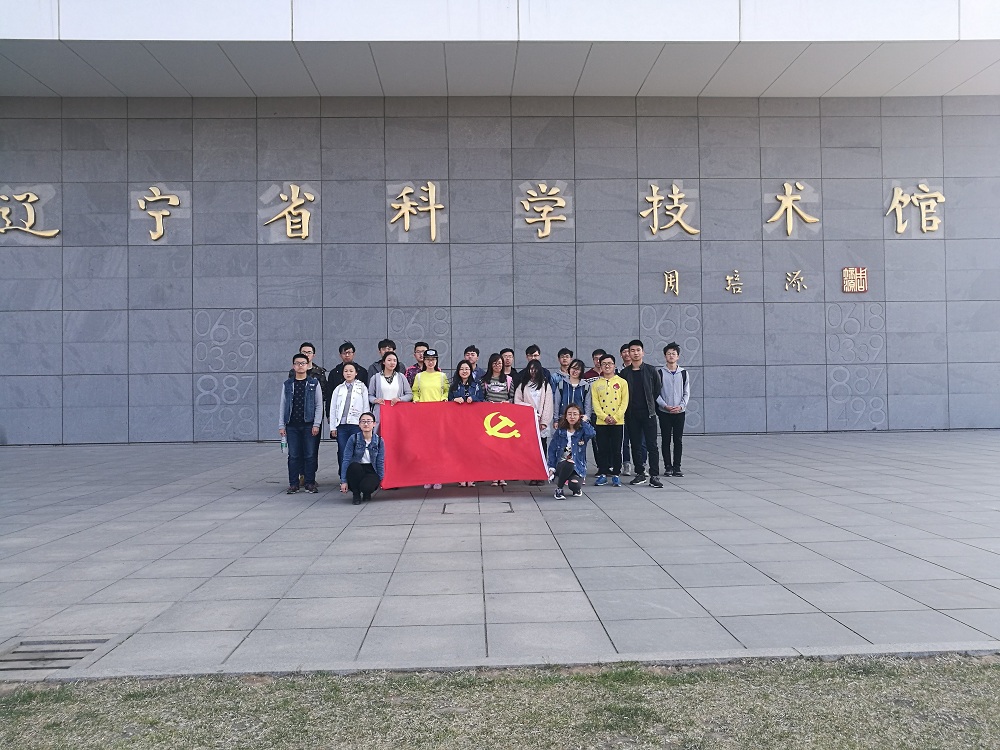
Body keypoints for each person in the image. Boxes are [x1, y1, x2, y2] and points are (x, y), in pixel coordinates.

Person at [278, 353, 323, 494]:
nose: (300, 366)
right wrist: (281, 425)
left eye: (303, 363)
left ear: (308, 365)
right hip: (292, 425)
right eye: (297, 363)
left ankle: (309, 483)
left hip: (308, 424)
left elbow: (319, 405)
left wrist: (316, 424)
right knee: (293, 456)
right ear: (293, 366)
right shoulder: (287, 384)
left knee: (310, 454)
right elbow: (283, 405)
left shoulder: (314, 383)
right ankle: (293, 484)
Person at [621, 339, 664, 488]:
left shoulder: (651, 370)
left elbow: (657, 389)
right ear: (628, 353)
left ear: (643, 352)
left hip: (649, 413)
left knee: (652, 445)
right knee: (636, 445)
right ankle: (640, 473)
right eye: (632, 350)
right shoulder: (624, 373)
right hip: (632, 414)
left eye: (638, 350)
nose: (635, 353)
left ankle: (654, 475)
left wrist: (650, 404)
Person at [287, 341, 329, 487]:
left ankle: (310, 476)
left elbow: (323, 395)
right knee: (296, 450)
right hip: (295, 418)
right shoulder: (293, 372)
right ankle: (300, 475)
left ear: (313, 355)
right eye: (304, 352)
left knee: (312, 448)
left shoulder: (319, 372)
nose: (306, 354)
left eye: (309, 352)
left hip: (313, 417)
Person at [412, 348, 449, 489]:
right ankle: (427, 477)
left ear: (436, 361)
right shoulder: (419, 376)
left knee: (438, 447)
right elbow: (415, 391)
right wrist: (416, 399)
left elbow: (446, 390)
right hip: (423, 416)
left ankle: (438, 477)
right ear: (424, 361)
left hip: (438, 416)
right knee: (426, 447)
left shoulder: (442, 376)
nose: (430, 362)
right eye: (428, 360)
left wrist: (444, 398)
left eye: (433, 360)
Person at [514, 359, 554, 486]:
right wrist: (529, 409)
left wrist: (544, 421)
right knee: (530, 450)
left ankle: (541, 474)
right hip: (528, 422)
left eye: (535, 369)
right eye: (531, 369)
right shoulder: (523, 385)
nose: (533, 371)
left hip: (541, 422)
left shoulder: (545, 385)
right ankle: (532, 474)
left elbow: (548, 404)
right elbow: (517, 401)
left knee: (541, 448)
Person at [591, 354, 628, 487]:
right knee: (602, 448)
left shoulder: (622, 382)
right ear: (600, 366)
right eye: (604, 364)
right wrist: (604, 417)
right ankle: (602, 473)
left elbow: (624, 402)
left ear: (614, 365)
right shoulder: (596, 384)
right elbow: (595, 404)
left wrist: (616, 417)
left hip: (618, 422)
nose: (607, 366)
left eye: (610, 363)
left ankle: (616, 474)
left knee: (617, 449)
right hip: (601, 422)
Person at [547, 405, 596, 499]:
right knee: (569, 463)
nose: (572, 417)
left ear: (579, 416)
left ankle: (575, 487)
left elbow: (592, 433)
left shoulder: (582, 431)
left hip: (577, 466)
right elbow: (552, 450)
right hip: (562, 464)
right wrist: (551, 467)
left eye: (575, 414)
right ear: (565, 416)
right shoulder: (560, 431)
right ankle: (559, 489)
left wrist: (584, 422)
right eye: (569, 414)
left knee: (575, 486)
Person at [656, 341, 690, 478]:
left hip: (679, 412)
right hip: (665, 412)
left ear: (678, 356)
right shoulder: (660, 373)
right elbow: (656, 393)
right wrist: (664, 405)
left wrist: (681, 406)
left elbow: (686, 392)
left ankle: (677, 467)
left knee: (678, 440)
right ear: (665, 356)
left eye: (673, 354)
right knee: (665, 440)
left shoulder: (684, 373)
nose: (671, 356)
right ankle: (668, 467)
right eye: (669, 354)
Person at [329, 362, 370, 472]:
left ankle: (355, 475)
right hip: (341, 426)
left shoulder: (362, 387)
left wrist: (366, 424)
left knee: (357, 451)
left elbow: (366, 407)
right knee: (343, 451)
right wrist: (333, 427)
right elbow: (333, 409)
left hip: (356, 425)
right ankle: (344, 476)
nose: (348, 373)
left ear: (356, 373)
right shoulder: (338, 389)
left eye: (351, 371)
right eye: (346, 371)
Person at [449, 360, 484, 487]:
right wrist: (454, 400)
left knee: (472, 449)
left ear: (471, 371)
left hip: (473, 422)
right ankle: (461, 476)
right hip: (458, 422)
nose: (464, 371)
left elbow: (482, 400)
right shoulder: (453, 386)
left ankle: (472, 476)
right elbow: (448, 401)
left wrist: (473, 399)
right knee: (459, 449)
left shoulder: (477, 385)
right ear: (458, 371)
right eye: (462, 369)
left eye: (467, 369)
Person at [481, 352, 514, 487]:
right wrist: (487, 404)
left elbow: (513, 397)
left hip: (504, 419)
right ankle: (494, 476)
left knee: (504, 449)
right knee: (492, 449)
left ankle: (503, 475)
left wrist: (507, 403)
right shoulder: (484, 380)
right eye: (495, 363)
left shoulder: (508, 380)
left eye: (499, 363)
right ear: (490, 364)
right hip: (489, 419)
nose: (497, 365)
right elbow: (481, 398)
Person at [340, 412, 384, 505]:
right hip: (357, 469)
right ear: (359, 424)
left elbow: (380, 461)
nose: (366, 424)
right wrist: (343, 481)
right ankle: (356, 494)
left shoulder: (379, 440)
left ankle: (366, 493)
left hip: (371, 469)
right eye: (363, 421)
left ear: (374, 424)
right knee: (354, 466)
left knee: (367, 487)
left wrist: (380, 478)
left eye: (369, 421)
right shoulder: (353, 438)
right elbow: (346, 459)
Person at [369, 350, 412, 431]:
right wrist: (375, 400)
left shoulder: (401, 377)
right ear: (383, 362)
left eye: (394, 360)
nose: (392, 363)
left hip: (397, 411)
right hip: (381, 411)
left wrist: (399, 399)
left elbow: (409, 394)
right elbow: (370, 395)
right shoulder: (376, 378)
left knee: (396, 432)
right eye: (389, 360)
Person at [554, 358, 591, 429]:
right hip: (563, 420)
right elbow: (557, 403)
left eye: (578, 369)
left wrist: (586, 418)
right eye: (573, 368)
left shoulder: (585, 386)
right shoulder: (561, 384)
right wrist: (556, 420)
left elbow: (588, 404)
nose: (575, 371)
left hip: (580, 421)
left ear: (581, 371)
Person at [618, 343, 636, 476]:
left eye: (628, 351)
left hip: (637, 409)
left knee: (640, 440)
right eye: (624, 352)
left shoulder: (641, 369)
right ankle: (626, 464)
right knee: (624, 440)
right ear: (621, 355)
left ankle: (642, 464)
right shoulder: (618, 372)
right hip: (622, 411)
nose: (627, 354)